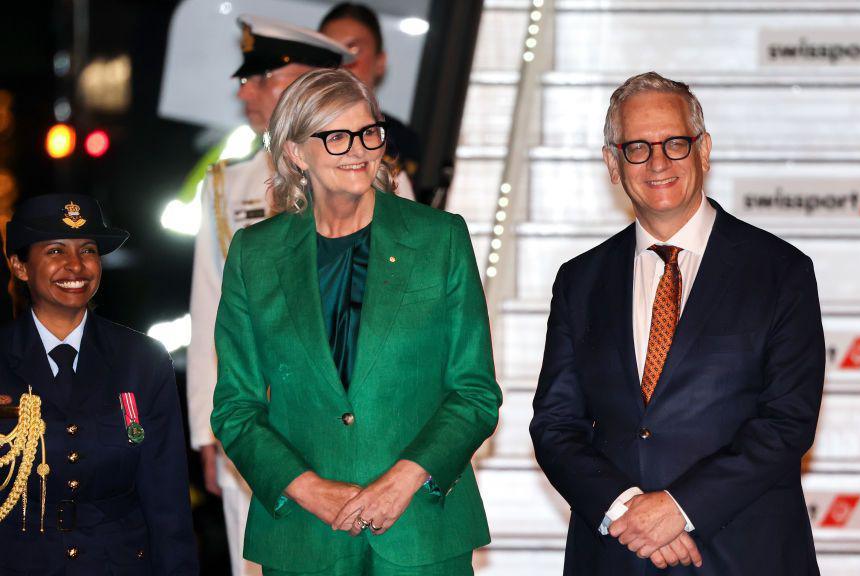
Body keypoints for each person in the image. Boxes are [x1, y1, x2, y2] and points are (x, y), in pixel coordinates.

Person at [530, 72, 825, 575]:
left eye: (675, 143)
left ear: (704, 150)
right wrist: (628, 512)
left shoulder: (780, 270)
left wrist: (678, 510)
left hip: (744, 553)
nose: (659, 162)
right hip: (615, 555)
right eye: (637, 148)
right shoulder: (579, 280)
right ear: (612, 163)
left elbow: (786, 422)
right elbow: (556, 426)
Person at [210, 68, 500, 575]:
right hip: (304, 537)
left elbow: (475, 394)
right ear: (297, 152)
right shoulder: (254, 254)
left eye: (369, 133)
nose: (359, 150)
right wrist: (308, 489)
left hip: (420, 530)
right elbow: (236, 409)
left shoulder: (440, 239)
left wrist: (405, 479)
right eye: (337, 137)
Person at [187, 15, 356, 576]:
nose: (246, 90)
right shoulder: (227, 185)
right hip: (257, 415)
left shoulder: (375, 177)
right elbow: (209, 307)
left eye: (264, 76)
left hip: (356, 417)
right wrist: (205, 427)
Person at [0, 193, 198, 574]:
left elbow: (166, 502)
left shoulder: (143, 361)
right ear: (20, 267)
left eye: (88, 250)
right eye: (56, 251)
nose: (76, 265)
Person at [319, 3, 423, 190]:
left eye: (353, 50)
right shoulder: (300, 133)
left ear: (380, 63)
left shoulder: (400, 141)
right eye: (330, 51)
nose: (342, 62)